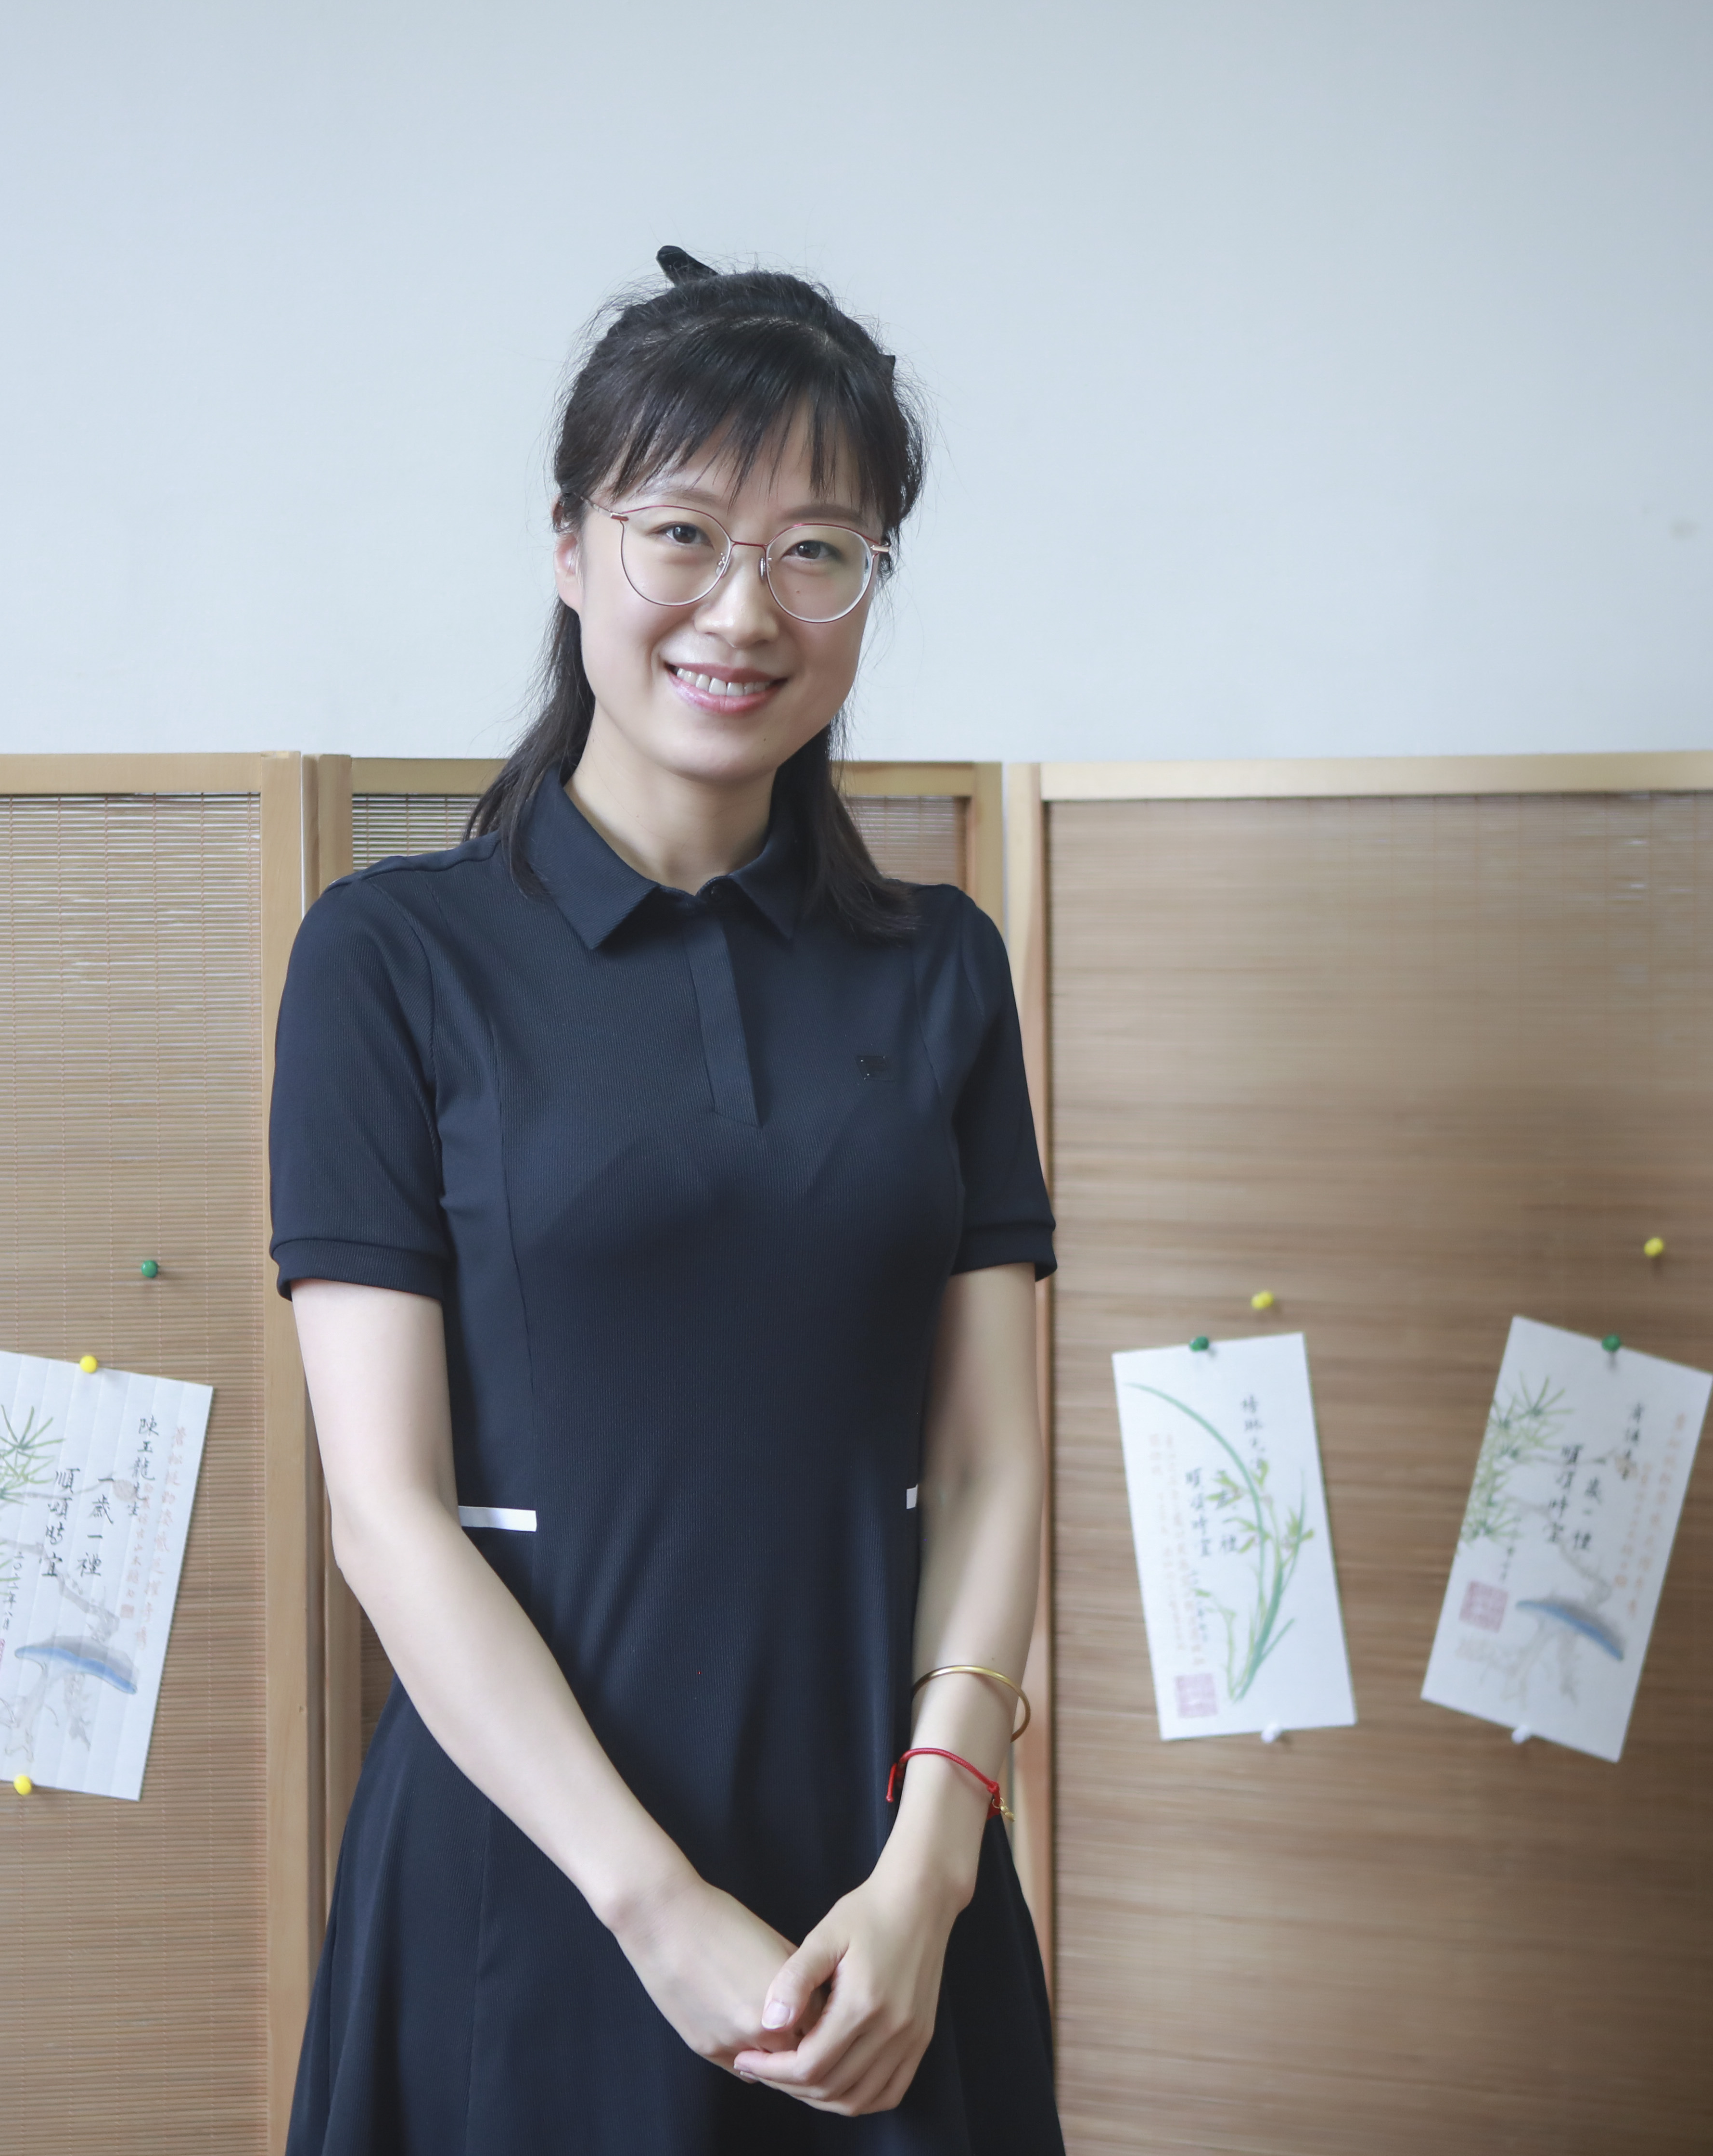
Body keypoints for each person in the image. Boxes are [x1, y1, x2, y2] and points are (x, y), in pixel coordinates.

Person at [271, 246, 1062, 2153]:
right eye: (684, 533)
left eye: (818, 551)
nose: (743, 608)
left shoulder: (943, 972)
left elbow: (988, 1463)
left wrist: (935, 1861)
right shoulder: (392, 962)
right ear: (572, 548)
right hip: (533, 1863)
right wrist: (655, 1905)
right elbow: (385, 1512)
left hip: (881, 1883)